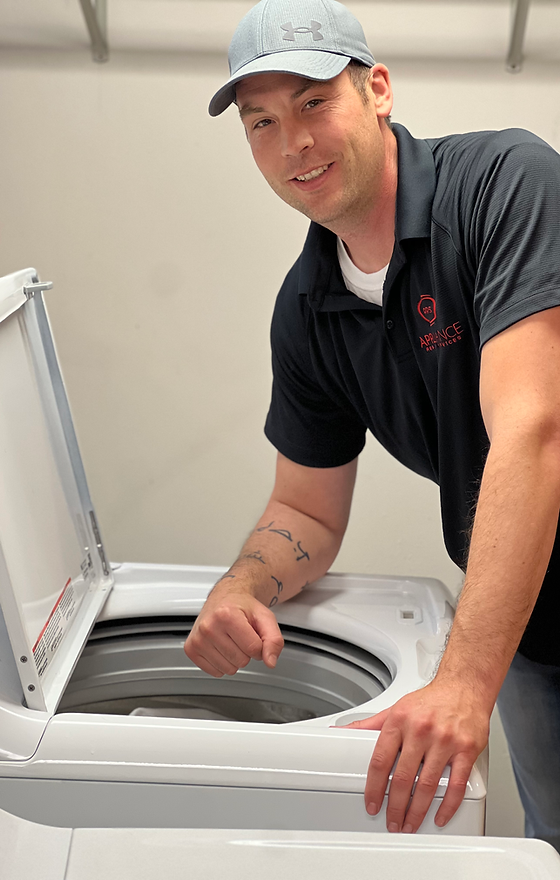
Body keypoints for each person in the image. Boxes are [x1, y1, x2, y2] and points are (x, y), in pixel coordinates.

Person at [184, 0, 560, 848]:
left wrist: (462, 684)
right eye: (263, 122)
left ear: (378, 89)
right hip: (534, 624)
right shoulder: (307, 307)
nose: (295, 145)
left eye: (314, 102)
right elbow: (307, 513)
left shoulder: (505, 186)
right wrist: (242, 586)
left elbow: (534, 433)